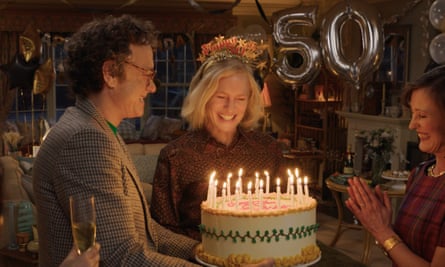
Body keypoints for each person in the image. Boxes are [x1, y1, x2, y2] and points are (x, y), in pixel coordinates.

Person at [32, 14, 202, 267]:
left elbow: (147, 234)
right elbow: (121, 255)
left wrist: (201, 250)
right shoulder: (85, 138)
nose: (152, 87)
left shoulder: (102, 130)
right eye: (146, 73)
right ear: (110, 73)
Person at [150, 36, 286, 241]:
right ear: (202, 97)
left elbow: (285, 216)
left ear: (249, 101)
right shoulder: (175, 156)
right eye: (221, 97)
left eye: (240, 99)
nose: (230, 108)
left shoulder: (269, 151)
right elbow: (163, 231)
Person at [345, 65, 445, 267]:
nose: (411, 125)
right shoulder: (420, 173)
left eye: (422, 116)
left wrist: (382, 231)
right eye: (412, 113)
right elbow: (402, 251)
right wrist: (382, 226)